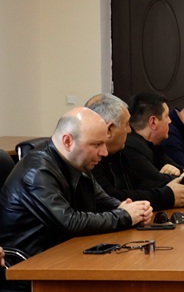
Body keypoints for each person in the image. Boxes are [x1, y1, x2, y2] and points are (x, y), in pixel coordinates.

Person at [0, 107, 153, 258]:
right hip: (31, 262)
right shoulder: (36, 172)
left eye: (104, 143)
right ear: (67, 141)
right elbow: (69, 222)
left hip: (67, 250)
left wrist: (131, 209)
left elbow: (101, 200)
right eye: (97, 144)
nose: (104, 152)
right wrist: (125, 216)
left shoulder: (78, 161)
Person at [87, 93, 184, 210]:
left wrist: (172, 182)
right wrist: (168, 195)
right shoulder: (92, 158)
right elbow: (109, 198)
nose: (129, 130)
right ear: (109, 129)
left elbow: (141, 186)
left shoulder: (118, 152)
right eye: (126, 125)